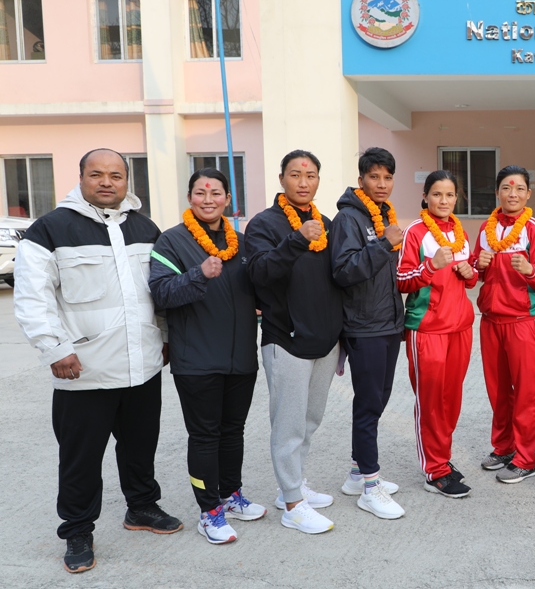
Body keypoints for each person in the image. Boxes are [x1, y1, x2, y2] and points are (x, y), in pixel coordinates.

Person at [14, 148, 182, 574]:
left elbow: (158, 291)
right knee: (80, 458)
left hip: (141, 366)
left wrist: (163, 339)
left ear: (128, 181)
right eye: (97, 174)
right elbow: (33, 298)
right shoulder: (49, 229)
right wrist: (54, 349)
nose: (107, 182)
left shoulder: (146, 228)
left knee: (140, 447)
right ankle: (76, 530)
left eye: (116, 175)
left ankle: (141, 508)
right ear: (81, 178)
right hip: (83, 368)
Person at [149, 168, 266, 544]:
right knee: (204, 436)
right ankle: (208, 509)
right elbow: (161, 294)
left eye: (216, 192)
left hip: (240, 358)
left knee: (233, 432)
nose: (209, 198)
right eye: (201, 192)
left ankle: (231, 494)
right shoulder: (171, 241)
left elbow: (260, 286)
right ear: (190, 198)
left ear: (228, 200)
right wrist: (198, 274)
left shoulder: (242, 242)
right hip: (197, 361)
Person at [245, 149, 343, 535]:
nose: (304, 182)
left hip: (324, 339)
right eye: (295, 174)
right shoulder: (265, 224)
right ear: (282, 178)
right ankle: (292, 503)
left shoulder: (327, 222)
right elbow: (259, 274)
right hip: (285, 339)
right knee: (287, 425)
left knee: (309, 419)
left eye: (311, 175)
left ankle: (295, 482)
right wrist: (296, 241)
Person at [330, 147, 406, 519]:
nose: (381, 183)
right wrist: (384, 244)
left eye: (387, 177)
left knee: (377, 400)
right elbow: (344, 271)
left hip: (388, 323)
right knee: (368, 403)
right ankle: (371, 487)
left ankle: (357, 473)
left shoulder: (383, 215)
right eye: (374, 177)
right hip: (365, 326)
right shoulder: (348, 218)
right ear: (361, 180)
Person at [473, 165, 535, 483]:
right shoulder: (486, 228)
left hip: (522, 321)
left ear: (528, 194)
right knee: (497, 391)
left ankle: (526, 457)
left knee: (524, 392)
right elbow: (476, 274)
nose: (513, 194)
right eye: (507, 188)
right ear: (497, 192)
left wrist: (530, 269)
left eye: (519, 188)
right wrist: (475, 265)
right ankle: (503, 447)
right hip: (490, 321)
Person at [397, 171, 477, 498]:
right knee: (430, 401)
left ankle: (442, 457)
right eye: (437, 194)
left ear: (457, 198)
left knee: (451, 400)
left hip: (460, 327)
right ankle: (435, 470)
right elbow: (402, 280)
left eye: (449, 195)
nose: (443, 201)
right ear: (426, 197)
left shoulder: (460, 231)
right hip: (427, 328)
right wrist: (431, 266)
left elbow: (468, 279)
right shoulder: (416, 232)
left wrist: (471, 274)